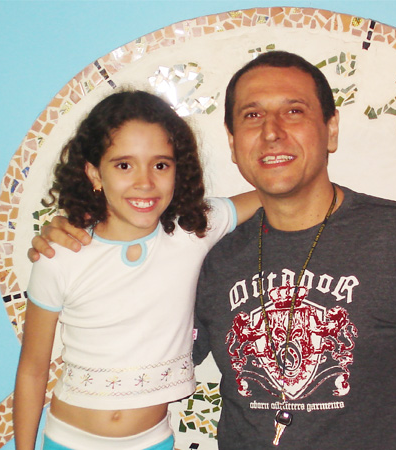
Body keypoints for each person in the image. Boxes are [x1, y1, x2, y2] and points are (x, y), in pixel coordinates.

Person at [31, 52, 396, 449]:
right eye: (252, 115)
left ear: (332, 129)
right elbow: (136, 343)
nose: (272, 131)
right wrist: (83, 239)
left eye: (294, 111)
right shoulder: (211, 256)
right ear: (232, 143)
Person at [14, 90, 259, 450]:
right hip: (68, 440)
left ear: (178, 171)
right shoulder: (60, 254)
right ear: (94, 173)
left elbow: (272, 193)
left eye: (160, 165)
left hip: (152, 441)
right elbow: (33, 370)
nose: (145, 182)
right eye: (124, 165)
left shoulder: (191, 233)